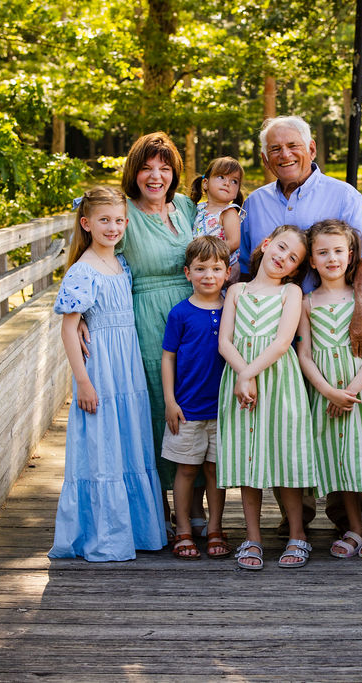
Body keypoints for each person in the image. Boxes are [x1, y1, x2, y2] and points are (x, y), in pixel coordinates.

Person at [240, 114, 362, 532]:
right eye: (274, 149)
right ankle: (295, 519)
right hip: (270, 332)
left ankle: (349, 519)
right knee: (286, 420)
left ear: (312, 149)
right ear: (265, 157)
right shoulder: (256, 203)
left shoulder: (343, 195)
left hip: (332, 326)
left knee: (337, 417)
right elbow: (246, 265)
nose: (284, 154)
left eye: (292, 146)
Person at [48, 186, 168, 562]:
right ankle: (105, 535)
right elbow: (69, 329)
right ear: (86, 224)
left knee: (129, 439)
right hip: (101, 368)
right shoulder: (82, 270)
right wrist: (83, 380)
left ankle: (136, 530)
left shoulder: (121, 264)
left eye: (119, 220)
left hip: (127, 367)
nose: (113, 227)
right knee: (102, 446)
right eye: (104, 220)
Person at [297, 219, 362, 559]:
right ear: (312, 260)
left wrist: (350, 392)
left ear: (351, 254)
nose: (331, 259)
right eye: (322, 252)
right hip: (326, 394)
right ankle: (354, 527)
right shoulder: (307, 302)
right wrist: (328, 391)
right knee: (337, 460)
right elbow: (305, 355)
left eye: (338, 251)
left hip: (361, 394)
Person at [216, 225, 315, 570]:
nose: (282, 258)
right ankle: (253, 536)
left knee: (283, 455)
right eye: (281, 248)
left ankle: (298, 534)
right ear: (266, 243)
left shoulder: (291, 294)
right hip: (240, 383)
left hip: (278, 382)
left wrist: (248, 373)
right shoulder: (236, 290)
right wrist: (242, 374)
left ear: (295, 269)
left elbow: (282, 342)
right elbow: (225, 341)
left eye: (292, 259)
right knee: (247, 457)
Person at [116, 131, 200, 536]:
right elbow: (95, 261)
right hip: (147, 319)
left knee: (198, 404)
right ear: (134, 172)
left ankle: (197, 507)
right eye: (147, 168)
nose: (155, 176)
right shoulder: (123, 214)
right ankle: (160, 509)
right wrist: (80, 317)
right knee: (157, 409)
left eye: (164, 168)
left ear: (174, 173)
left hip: (196, 314)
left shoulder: (185, 206)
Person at [161, 236, 232, 560]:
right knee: (187, 470)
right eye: (201, 268)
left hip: (224, 409)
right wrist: (170, 402)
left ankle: (215, 527)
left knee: (216, 471)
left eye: (216, 268)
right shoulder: (181, 313)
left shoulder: (233, 308)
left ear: (227, 273)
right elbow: (168, 357)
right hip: (187, 409)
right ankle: (185, 528)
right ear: (187, 273)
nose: (209, 275)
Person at [190, 156, 244, 282]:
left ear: (237, 192)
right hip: (201, 267)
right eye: (221, 177)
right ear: (205, 183)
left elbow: (234, 242)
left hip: (221, 269)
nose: (227, 183)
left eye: (234, 181)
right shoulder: (200, 209)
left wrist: (210, 256)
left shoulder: (229, 212)